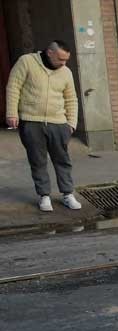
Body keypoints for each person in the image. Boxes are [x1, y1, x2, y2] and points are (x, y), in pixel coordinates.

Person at [6, 41, 81, 212]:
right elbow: (13, 87)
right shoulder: (27, 62)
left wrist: (71, 124)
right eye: (61, 59)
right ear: (49, 53)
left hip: (59, 123)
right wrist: (12, 113)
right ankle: (44, 195)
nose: (64, 64)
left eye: (66, 60)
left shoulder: (66, 72)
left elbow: (71, 99)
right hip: (31, 121)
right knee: (38, 161)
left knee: (63, 161)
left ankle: (68, 194)